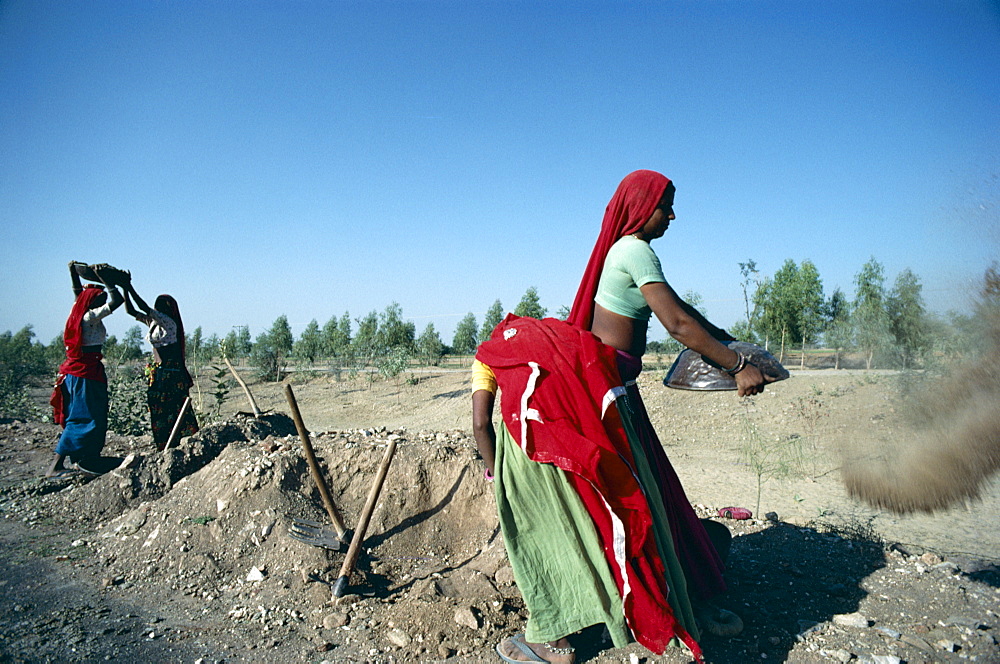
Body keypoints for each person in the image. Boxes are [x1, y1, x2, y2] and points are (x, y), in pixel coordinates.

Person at [473, 170, 772, 664]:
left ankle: (662, 592)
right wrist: (737, 366)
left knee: (640, 501)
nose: (672, 216)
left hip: (616, 389)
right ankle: (629, 605)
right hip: (606, 395)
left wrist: (728, 340)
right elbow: (676, 324)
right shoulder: (635, 249)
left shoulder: (629, 251)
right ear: (640, 209)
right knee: (627, 502)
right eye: (666, 206)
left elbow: (684, 310)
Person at [47, 263, 124, 477]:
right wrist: (107, 280)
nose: (102, 300)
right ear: (93, 302)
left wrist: (73, 273)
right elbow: (117, 301)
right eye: (99, 298)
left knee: (86, 415)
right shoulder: (89, 317)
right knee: (83, 417)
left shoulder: (77, 311)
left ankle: (85, 458)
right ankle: (55, 466)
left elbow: (78, 293)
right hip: (84, 373)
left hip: (78, 372)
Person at [122, 283, 199, 450]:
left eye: (160, 306)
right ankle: (164, 444)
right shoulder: (153, 323)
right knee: (160, 409)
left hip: (170, 375)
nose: (156, 308)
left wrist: (128, 286)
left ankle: (178, 442)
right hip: (159, 373)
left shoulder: (168, 322)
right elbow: (131, 311)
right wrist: (124, 290)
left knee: (172, 408)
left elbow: (143, 307)